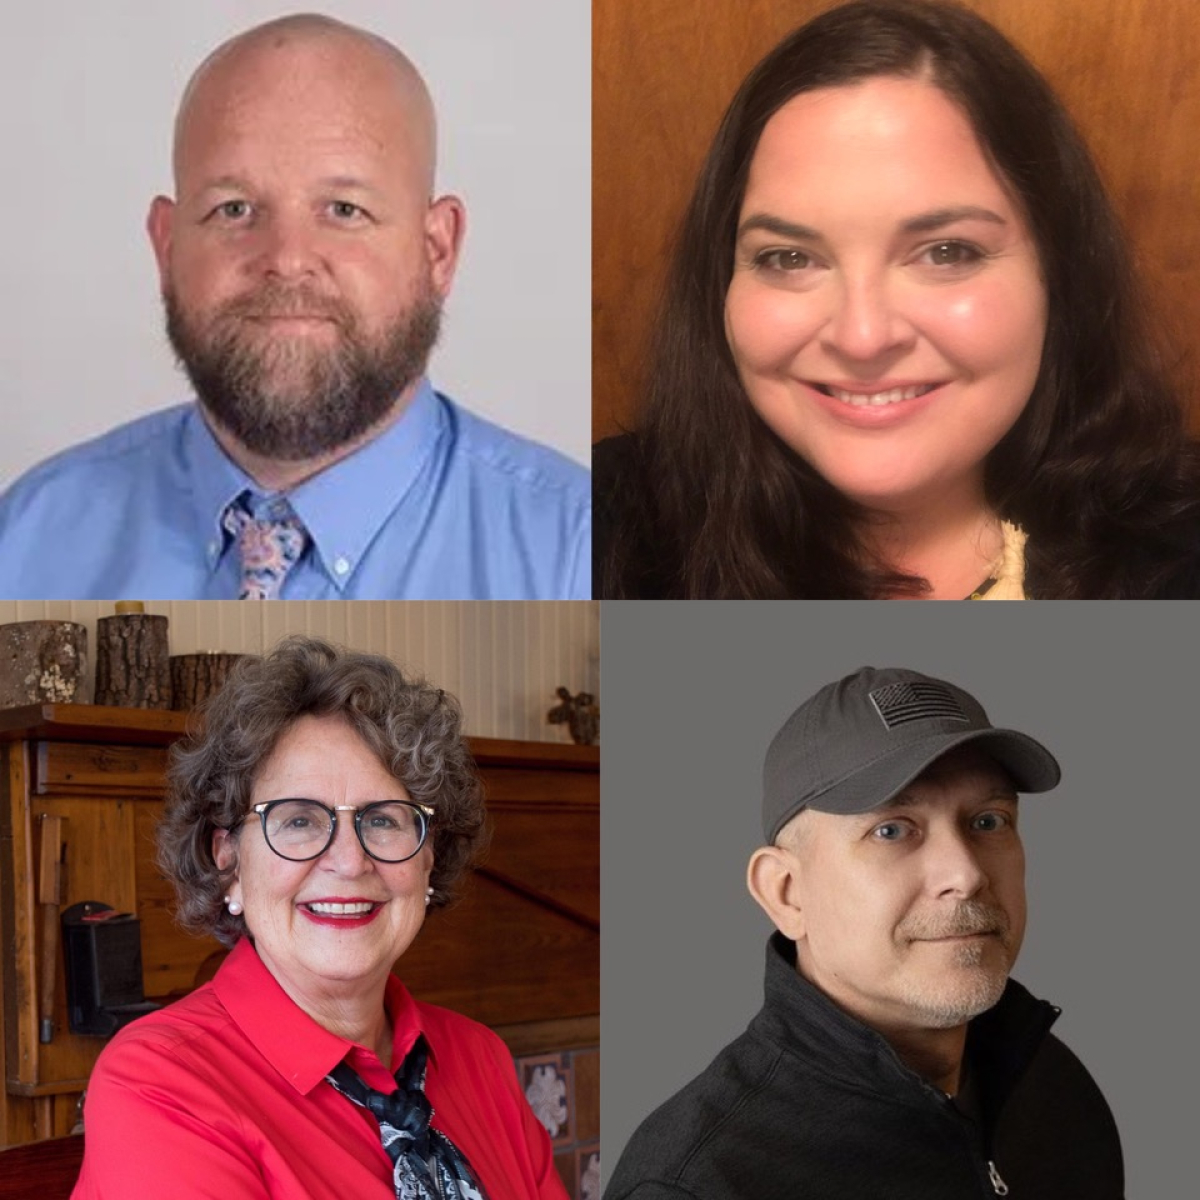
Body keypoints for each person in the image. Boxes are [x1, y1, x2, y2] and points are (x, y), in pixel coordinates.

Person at [593, 0, 1200, 599]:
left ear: (1059, 272)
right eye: (789, 257)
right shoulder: (589, 527)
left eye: (947, 253)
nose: (862, 338)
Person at [0, 14, 590, 601]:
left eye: (342, 209)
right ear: (168, 246)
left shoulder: (583, 554)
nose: (286, 259)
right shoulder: (26, 539)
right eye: (233, 209)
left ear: (437, 250)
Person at [72, 637, 567, 1199]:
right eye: (299, 820)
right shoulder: (160, 1083)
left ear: (431, 856)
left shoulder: (479, 1057)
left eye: (384, 820)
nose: (351, 861)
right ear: (228, 860)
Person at [605, 665, 1124, 1198]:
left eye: (988, 821)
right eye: (892, 830)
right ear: (786, 892)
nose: (965, 875)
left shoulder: (1054, 1087)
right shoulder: (700, 1183)